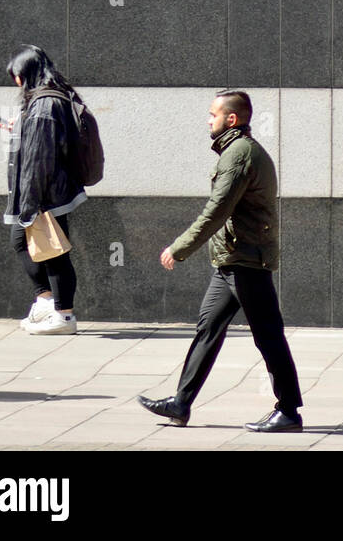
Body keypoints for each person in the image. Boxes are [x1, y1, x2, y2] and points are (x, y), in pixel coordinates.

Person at [137, 90, 303, 432]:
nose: (207, 119)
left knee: (268, 336)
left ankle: (288, 411)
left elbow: (217, 210)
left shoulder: (239, 155)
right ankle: (181, 403)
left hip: (246, 261)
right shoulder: (236, 151)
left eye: (212, 114)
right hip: (231, 261)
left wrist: (179, 247)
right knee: (207, 329)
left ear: (231, 119)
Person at [4, 45, 86, 336]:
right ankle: (46, 301)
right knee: (24, 241)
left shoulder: (44, 104)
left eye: (17, 75)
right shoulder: (49, 98)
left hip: (46, 193)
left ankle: (64, 316)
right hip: (49, 190)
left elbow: (39, 159)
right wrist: (20, 126)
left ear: (26, 73)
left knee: (52, 251)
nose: (16, 82)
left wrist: (32, 202)